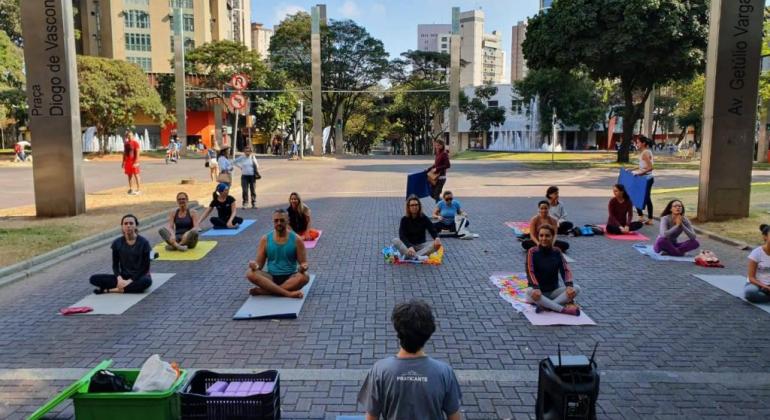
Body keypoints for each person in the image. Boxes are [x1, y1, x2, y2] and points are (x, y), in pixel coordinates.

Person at [358, 299, 462, 420]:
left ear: (398, 331)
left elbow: (372, 416)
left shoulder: (380, 370)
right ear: (429, 332)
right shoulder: (445, 372)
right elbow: (454, 416)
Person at [246, 209, 309, 298]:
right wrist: (254, 266)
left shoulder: (297, 239)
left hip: (290, 277)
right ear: (273, 221)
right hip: (271, 278)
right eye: (276, 221)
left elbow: (304, 263)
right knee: (250, 273)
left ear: (288, 221)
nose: (279, 223)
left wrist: (303, 267)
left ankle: (267, 291)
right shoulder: (265, 239)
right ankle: (287, 293)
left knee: (305, 277)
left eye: (282, 220)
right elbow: (259, 265)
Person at [525, 224, 581, 316]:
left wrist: (569, 286)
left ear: (552, 237)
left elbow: (565, 269)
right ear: (538, 236)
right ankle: (563, 310)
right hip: (537, 293)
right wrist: (536, 288)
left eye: (547, 235)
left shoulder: (557, 251)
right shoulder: (532, 251)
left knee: (577, 288)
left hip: (553, 292)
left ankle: (547, 306)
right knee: (529, 291)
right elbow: (530, 271)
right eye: (541, 235)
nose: (544, 238)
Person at [89, 214, 152, 294]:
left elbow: (145, 268)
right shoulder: (117, 243)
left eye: (131, 223)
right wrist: (119, 279)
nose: (128, 226)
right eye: (125, 224)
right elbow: (115, 265)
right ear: (122, 226)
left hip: (139, 277)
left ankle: (111, 290)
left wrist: (129, 281)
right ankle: (126, 288)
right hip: (123, 277)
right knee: (93, 279)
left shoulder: (144, 243)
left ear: (136, 226)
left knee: (146, 282)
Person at [393, 195, 441, 260]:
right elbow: (402, 236)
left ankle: (411, 256)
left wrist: (437, 238)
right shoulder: (404, 219)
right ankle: (417, 256)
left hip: (421, 245)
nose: (414, 207)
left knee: (436, 245)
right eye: (412, 205)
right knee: (395, 240)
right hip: (408, 246)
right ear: (408, 207)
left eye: (416, 205)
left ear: (419, 206)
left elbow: (432, 229)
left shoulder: (423, 218)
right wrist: (409, 246)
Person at [633, 136, 654, 225]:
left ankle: (649, 218)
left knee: (646, 198)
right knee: (636, 196)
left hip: (647, 178)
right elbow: (642, 166)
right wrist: (631, 169)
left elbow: (650, 167)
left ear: (643, 143)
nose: (636, 144)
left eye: (638, 142)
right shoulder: (644, 152)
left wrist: (640, 173)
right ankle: (641, 216)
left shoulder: (645, 153)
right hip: (642, 178)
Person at [746, 224, 770, 303]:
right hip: (756, 284)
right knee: (750, 293)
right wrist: (765, 286)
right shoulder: (756, 253)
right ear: (765, 236)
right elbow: (751, 278)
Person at [122, 130, 141, 195]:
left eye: (131, 135)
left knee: (136, 175)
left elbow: (138, 153)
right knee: (129, 176)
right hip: (128, 162)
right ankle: (131, 189)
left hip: (134, 161)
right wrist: (123, 162)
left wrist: (136, 162)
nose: (129, 137)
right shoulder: (126, 144)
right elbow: (124, 153)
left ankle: (139, 189)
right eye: (128, 136)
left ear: (133, 136)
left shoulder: (135, 143)